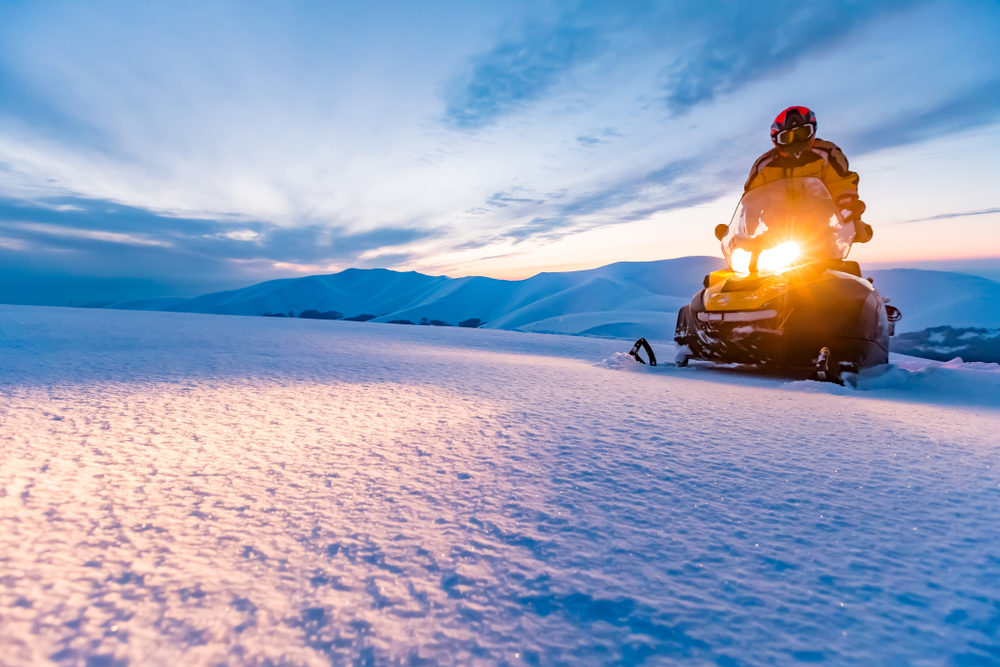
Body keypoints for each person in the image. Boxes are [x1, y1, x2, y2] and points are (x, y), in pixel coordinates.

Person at [744, 106, 873, 242]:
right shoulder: (765, 165)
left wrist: (847, 207)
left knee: (853, 241)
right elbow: (751, 200)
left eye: (802, 133)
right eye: (787, 137)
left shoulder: (827, 154)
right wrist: (746, 230)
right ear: (777, 139)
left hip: (821, 229)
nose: (796, 141)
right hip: (777, 233)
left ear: (812, 130)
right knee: (746, 256)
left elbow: (840, 183)